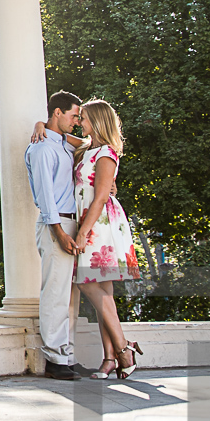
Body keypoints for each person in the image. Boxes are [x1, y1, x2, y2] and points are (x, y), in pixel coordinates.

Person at [71, 99, 143, 378]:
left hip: (99, 224)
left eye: (85, 118)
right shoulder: (88, 148)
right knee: (104, 293)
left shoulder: (106, 154)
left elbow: (101, 196)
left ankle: (124, 348)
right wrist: (41, 125)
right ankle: (110, 358)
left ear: (98, 121)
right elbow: (64, 135)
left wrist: (83, 231)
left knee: (86, 283)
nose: (80, 122)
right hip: (91, 221)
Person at [24, 91, 83, 381]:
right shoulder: (42, 148)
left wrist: (41, 124)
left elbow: (89, 145)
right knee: (56, 292)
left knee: (71, 296)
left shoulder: (62, 143)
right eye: (74, 116)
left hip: (72, 224)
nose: (77, 122)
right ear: (57, 112)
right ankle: (55, 358)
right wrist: (58, 231)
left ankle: (67, 355)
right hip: (55, 225)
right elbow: (46, 196)